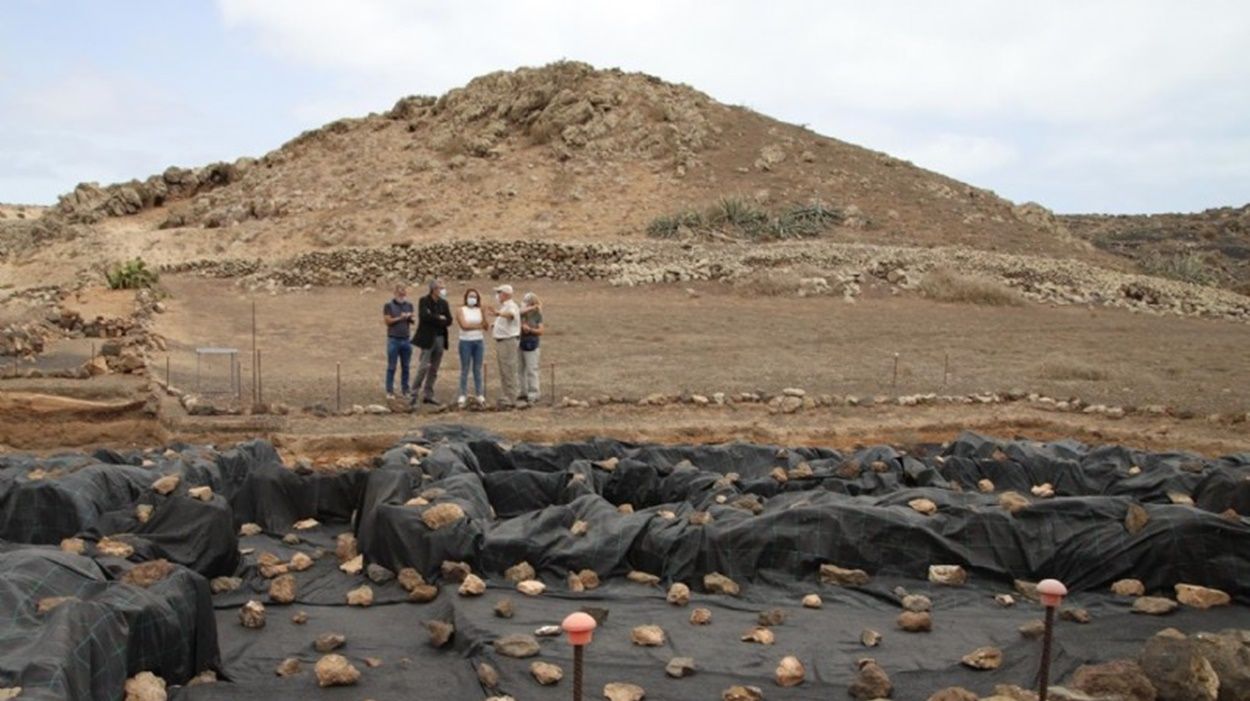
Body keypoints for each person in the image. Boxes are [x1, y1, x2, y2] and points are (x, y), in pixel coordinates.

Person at [411, 279, 451, 406]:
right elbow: (424, 317)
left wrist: (436, 318)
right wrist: (439, 318)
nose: (443, 290)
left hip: (440, 338)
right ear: (434, 289)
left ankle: (428, 394)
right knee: (423, 367)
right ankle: (414, 393)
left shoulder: (444, 303)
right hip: (428, 338)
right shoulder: (424, 301)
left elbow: (449, 320)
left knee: (434, 368)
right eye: (441, 288)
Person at [455, 287, 489, 409]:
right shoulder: (461, 310)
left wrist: (484, 315)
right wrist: (478, 326)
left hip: (478, 341)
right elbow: (464, 325)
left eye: (474, 297)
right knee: (465, 368)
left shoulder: (479, 310)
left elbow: (486, 327)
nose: (472, 299)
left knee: (477, 369)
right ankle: (462, 394)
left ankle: (479, 393)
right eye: (470, 296)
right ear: (466, 298)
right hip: (465, 342)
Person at [489, 283, 522, 408]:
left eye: (499, 293)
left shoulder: (511, 306)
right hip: (502, 341)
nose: (497, 296)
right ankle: (507, 395)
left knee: (509, 369)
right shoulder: (504, 307)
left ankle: (513, 397)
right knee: (504, 369)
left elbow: (511, 315)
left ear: (505, 294)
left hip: (508, 341)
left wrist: (498, 314)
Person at [382, 284, 414, 399]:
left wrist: (409, 317)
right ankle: (389, 390)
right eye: (400, 291)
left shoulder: (409, 305)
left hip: (406, 339)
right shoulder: (388, 306)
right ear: (395, 292)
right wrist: (400, 318)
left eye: (404, 291)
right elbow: (387, 321)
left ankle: (405, 389)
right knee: (392, 366)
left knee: (406, 366)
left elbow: (412, 319)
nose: (402, 293)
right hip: (393, 339)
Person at [518, 292, 544, 403]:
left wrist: (531, 330)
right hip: (520, 343)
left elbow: (541, 330)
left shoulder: (537, 315)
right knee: (520, 369)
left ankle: (533, 392)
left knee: (531, 369)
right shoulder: (521, 314)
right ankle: (522, 391)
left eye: (527, 301)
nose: (524, 303)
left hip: (532, 343)